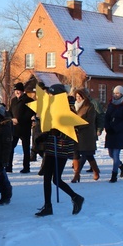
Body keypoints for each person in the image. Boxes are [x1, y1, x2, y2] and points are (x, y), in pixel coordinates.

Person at [33, 84, 84, 217]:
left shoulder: (69, 110)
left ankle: (76, 197)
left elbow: (73, 129)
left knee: (56, 179)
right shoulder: (54, 108)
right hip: (51, 147)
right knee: (48, 178)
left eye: (52, 95)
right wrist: (45, 135)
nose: (50, 97)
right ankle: (48, 206)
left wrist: (58, 133)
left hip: (61, 148)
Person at [71, 89, 100, 182]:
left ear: (84, 97)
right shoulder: (73, 107)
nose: (78, 99)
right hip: (75, 134)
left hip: (86, 134)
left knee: (87, 154)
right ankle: (78, 173)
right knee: (76, 154)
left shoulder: (89, 106)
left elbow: (89, 121)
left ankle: (93, 171)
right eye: (76, 97)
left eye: (80, 97)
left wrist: (77, 125)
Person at [104, 85, 123, 183]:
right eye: (114, 93)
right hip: (110, 132)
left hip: (119, 132)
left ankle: (114, 175)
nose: (116, 95)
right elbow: (106, 117)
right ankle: (122, 166)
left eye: (118, 93)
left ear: (122, 94)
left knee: (115, 154)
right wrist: (107, 127)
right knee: (110, 154)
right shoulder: (111, 103)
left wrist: (115, 129)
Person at [8, 81, 35, 173]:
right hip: (15, 128)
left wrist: (19, 120)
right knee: (11, 147)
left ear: (23, 91)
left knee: (25, 148)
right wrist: (12, 119)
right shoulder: (13, 100)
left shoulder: (29, 101)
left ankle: (26, 167)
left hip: (24, 128)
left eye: (19, 90)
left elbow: (30, 114)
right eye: (15, 90)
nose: (17, 92)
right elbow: (10, 111)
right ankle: (9, 166)